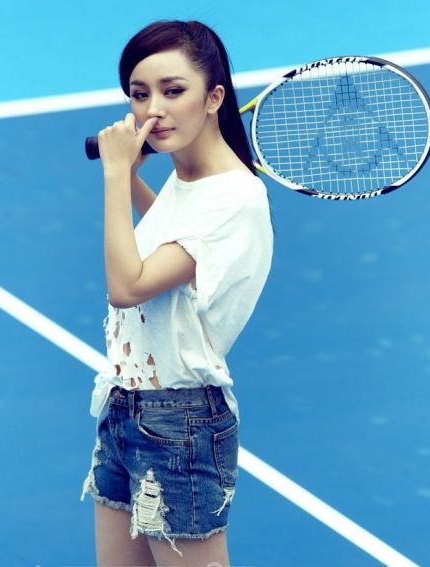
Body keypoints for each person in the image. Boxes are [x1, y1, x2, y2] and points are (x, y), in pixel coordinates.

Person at [80, 19, 274, 567]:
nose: (154, 110)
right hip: (125, 405)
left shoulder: (233, 198)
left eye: (173, 91)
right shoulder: (189, 180)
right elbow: (169, 239)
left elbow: (128, 286)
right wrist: (134, 179)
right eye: (140, 94)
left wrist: (115, 176)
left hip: (180, 422)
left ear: (214, 98)